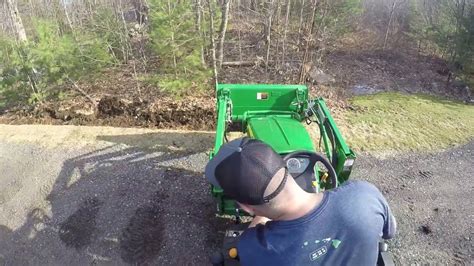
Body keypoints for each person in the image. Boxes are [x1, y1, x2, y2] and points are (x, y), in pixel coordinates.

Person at [205, 137, 396, 265]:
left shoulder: (256, 247)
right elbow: (389, 232)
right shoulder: (364, 195)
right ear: (282, 165)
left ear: (247, 207)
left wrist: (260, 219)